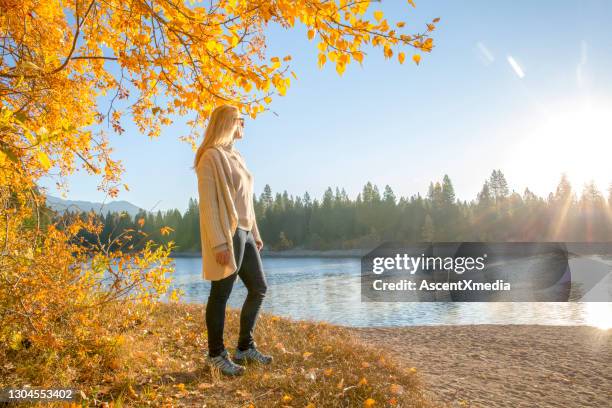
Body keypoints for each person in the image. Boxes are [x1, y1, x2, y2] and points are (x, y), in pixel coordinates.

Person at [194, 104, 272, 376]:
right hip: (229, 234)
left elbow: (245, 201)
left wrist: (255, 233)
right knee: (221, 294)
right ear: (229, 123)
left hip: (245, 232)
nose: (244, 126)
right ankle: (215, 354)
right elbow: (209, 206)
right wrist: (218, 243)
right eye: (242, 120)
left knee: (259, 287)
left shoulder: (236, 156)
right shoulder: (210, 157)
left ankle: (244, 347)